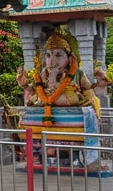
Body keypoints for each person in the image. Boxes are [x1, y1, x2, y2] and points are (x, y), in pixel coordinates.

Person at [17, 30, 105, 171]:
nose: (52, 60)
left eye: (58, 55)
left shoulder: (77, 74)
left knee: (77, 105)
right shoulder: (41, 74)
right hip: (44, 107)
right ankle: (38, 158)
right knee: (32, 105)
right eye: (48, 55)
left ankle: (83, 160)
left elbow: (88, 91)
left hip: (69, 103)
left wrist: (93, 108)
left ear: (70, 59)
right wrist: (24, 85)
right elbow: (33, 91)